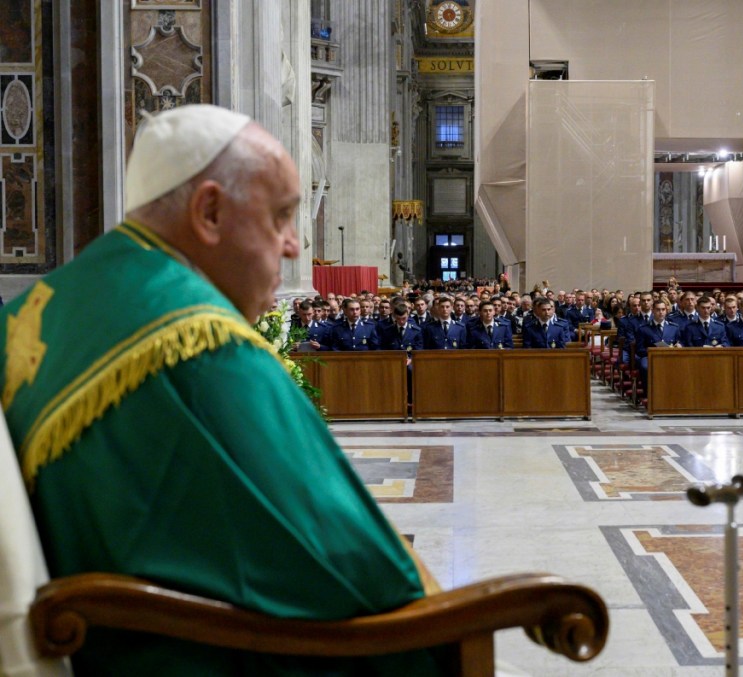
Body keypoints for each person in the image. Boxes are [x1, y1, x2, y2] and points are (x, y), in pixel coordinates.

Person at [0, 105, 439, 674]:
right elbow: (351, 568)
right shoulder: (200, 344)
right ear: (208, 211)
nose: (294, 247)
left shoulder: (48, 307)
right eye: (281, 217)